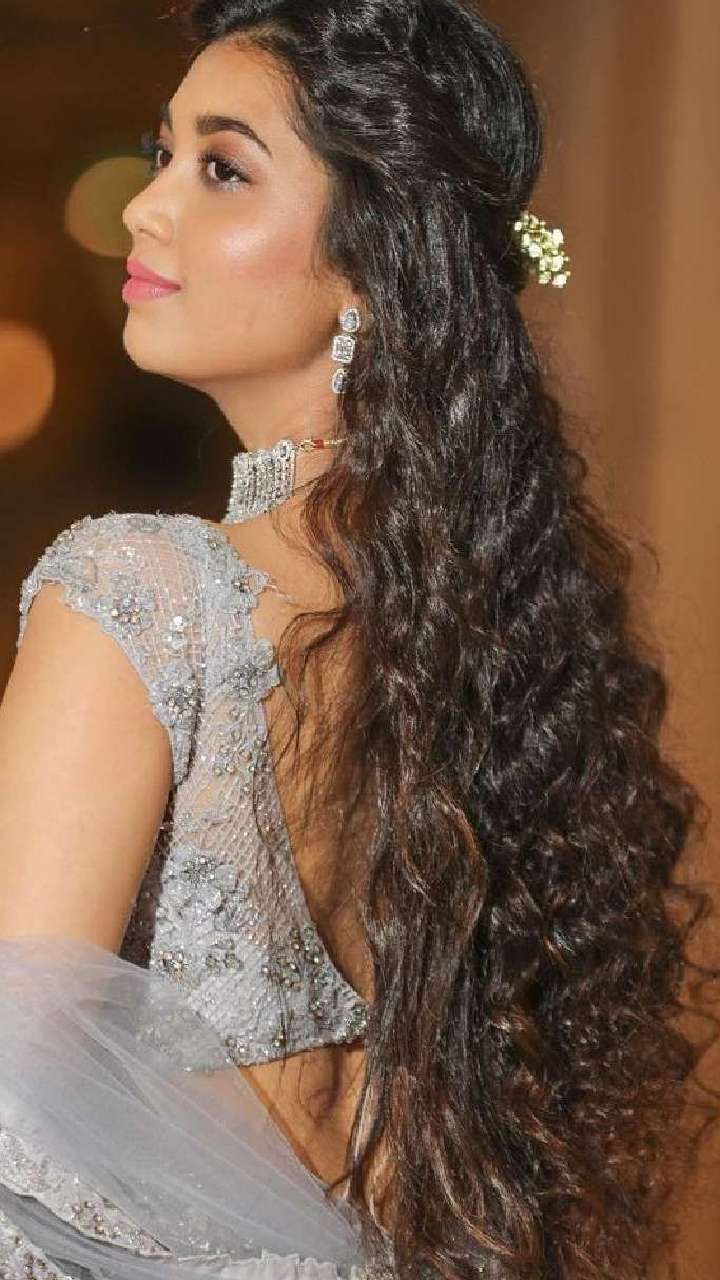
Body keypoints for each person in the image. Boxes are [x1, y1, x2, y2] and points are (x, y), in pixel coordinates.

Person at [0, 3, 716, 1279]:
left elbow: (16, 1100)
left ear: (374, 268)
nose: (146, 208)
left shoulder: (135, 588)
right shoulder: (488, 645)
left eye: (223, 169)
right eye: (162, 153)